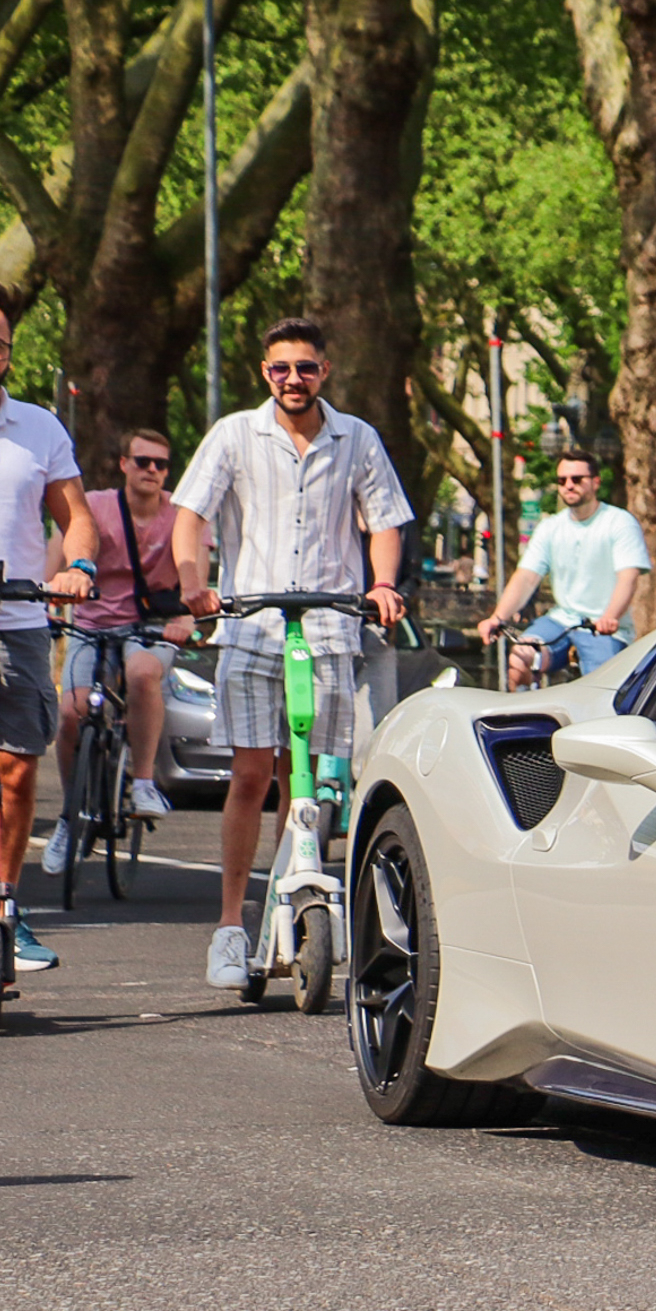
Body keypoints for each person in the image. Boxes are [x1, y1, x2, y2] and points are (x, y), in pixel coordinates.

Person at [174, 315, 413, 992]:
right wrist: (194, 583)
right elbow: (191, 515)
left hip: (330, 627)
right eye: (281, 368)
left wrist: (384, 583)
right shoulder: (234, 436)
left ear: (324, 371)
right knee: (253, 774)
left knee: (306, 777)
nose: (294, 380)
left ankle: (294, 889)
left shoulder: (356, 438)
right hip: (251, 625)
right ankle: (229, 924)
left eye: (306, 367)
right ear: (264, 373)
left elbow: (386, 520)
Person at [0, 280, 100, 971]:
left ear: (9, 352)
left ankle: (2, 904)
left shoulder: (40, 427)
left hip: (23, 617)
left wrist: (80, 564)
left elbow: (76, 516)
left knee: (16, 771)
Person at [42, 427, 197, 875]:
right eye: (143, 461)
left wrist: (185, 617)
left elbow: (193, 570)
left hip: (150, 626)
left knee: (145, 674)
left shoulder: (180, 515)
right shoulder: (95, 505)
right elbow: (57, 558)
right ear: (125, 464)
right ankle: (70, 816)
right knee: (71, 712)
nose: (152, 471)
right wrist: (45, 600)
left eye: (161, 465)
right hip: (92, 623)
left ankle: (144, 782)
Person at [475, 450, 649, 687]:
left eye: (577, 479)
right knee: (520, 658)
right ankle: (528, 718)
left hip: (602, 627)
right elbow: (526, 577)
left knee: (602, 690)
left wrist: (610, 616)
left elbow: (628, 578)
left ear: (595, 482)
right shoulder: (550, 527)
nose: (568, 485)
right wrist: (497, 617)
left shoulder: (619, 522)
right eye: (562, 480)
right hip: (561, 620)